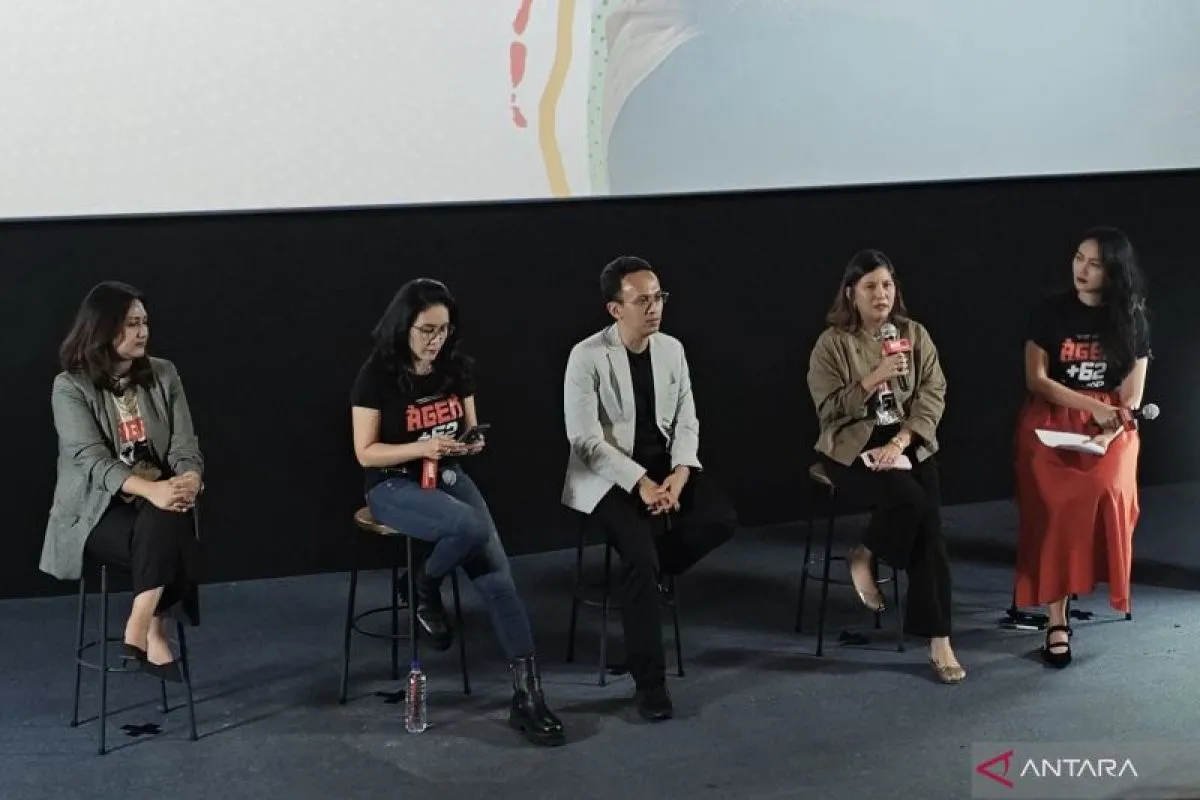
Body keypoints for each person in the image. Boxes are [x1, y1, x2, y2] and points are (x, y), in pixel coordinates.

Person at [349, 278, 565, 747]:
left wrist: (471, 442)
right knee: (469, 526)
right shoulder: (376, 374)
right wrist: (421, 447)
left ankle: (528, 697)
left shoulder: (455, 368)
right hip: (392, 483)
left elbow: (468, 426)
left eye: (443, 330)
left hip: (445, 474)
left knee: (500, 579)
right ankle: (423, 585)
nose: (436, 340)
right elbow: (365, 452)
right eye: (427, 330)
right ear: (404, 326)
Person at [562, 255, 737, 721]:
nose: (654, 307)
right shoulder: (586, 356)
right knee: (638, 558)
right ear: (615, 309)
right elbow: (585, 441)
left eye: (659, 297)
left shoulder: (672, 349)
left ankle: (655, 570)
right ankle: (650, 684)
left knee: (720, 519)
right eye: (642, 300)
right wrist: (639, 482)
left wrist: (680, 473)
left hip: (664, 467)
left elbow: (687, 420)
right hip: (607, 474)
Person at [806, 249, 964, 684]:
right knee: (913, 503)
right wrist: (874, 377)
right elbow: (829, 410)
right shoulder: (832, 344)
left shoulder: (913, 333)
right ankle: (868, 555)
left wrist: (901, 441)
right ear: (851, 293)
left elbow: (933, 392)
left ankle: (938, 637)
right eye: (871, 286)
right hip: (852, 444)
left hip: (905, 439)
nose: (881, 294)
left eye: (888, 285)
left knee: (931, 530)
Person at [42, 281, 203, 683]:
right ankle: (152, 630)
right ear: (103, 328)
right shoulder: (69, 386)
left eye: (145, 322)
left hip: (155, 505)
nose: (143, 332)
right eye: (132, 324)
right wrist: (155, 490)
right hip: (96, 511)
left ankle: (141, 621)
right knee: (172, 522)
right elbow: (91, 460)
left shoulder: (164, 373)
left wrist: (190, 477)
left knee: (168, 514)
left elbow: (185, 443)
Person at [1013, 227, 1151, 668]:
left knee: (1107, 488)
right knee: (1056, 503)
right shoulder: (1050, 311)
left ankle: (1096, 578)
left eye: (1094, 263)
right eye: (1078, 258)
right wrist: (1091, 406)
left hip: (1111, 422)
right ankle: (1057, 619)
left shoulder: (1131, 318)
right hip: (1052, 416)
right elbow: (1037, 380)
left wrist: (1108, 431)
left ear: (1113, 272)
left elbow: (1131, 396)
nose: (1082, 269)